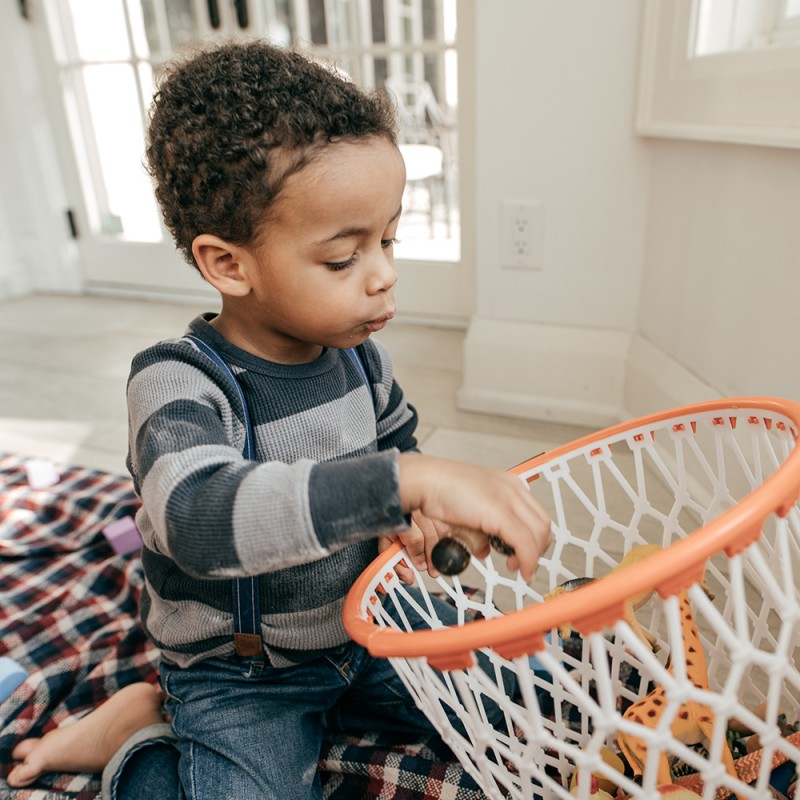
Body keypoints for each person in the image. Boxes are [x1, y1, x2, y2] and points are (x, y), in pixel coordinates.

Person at [8, 39, 550, 799]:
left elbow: (395, 446)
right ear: (229, 264)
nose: (384, 273)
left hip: (368, 630)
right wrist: (404, 481)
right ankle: (139, 735)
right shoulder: (177, 382)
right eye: (343, 258)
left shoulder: (360, 358)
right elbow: (199, 519)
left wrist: (416, 517)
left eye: (388, 239)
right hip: (243, 678)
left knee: (533, 694)